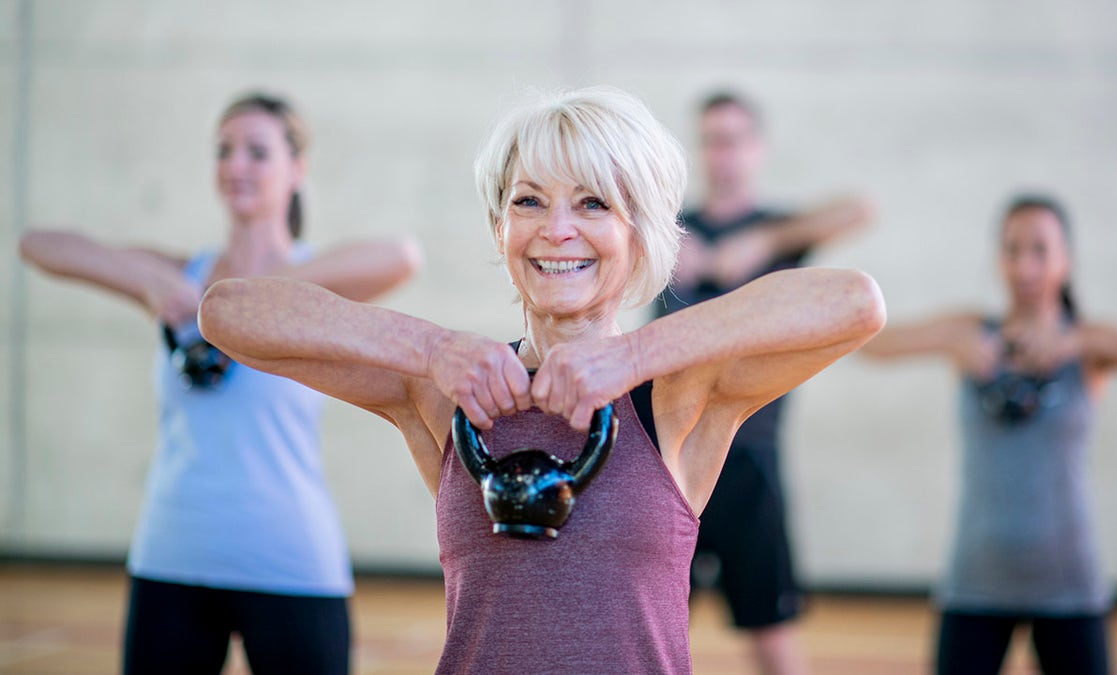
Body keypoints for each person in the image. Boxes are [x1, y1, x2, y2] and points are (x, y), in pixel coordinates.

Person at [198, 85, 886, 674]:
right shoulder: (445, 390)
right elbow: (227, 310)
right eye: (529, 202)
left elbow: (855, 302)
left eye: (591, 204)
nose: (557, 230)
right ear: (501, 228)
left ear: (639, 233)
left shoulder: (678, 396)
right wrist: (429, 344)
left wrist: (634, 355)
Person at [19, 92, 423, 675]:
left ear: (297, 172)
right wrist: (149, 282)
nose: (236, 165)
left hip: (291, 563)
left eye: (258, 152)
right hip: (171, 558)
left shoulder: (316, 289)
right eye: (224, 150)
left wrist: (258, 296)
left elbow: (403, 255)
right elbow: (40, 244)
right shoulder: (182, 274)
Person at [860, 194, 1117, 675]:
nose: (1024, 265)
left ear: (1066, 260)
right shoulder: (971, 331)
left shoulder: (1088, 343)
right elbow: (875, 345)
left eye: (1040, 250)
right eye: (1012, 250)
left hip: (1069, 582)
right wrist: (959, 346)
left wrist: (1077, 341)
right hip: (975, 581)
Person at [655, 91, 874, 673]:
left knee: (772, 636)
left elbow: (859, 208)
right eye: (710, 140)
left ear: (756, 149)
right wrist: (661, 237)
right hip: (666, 460)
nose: (720, 154)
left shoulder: (779, 231)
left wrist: (762, 242)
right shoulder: (666, 233)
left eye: (731, 139)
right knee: (647, 627)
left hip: (749, 461)